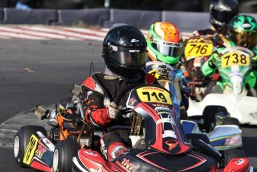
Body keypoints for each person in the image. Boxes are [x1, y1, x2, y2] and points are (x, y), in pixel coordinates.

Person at [80, 23, 147, 162]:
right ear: (113, 54)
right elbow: (91, 116)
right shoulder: (97, 81)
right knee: (111, 138)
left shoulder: (149, 80)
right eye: (128, 57)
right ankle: (122, 158)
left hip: (150, 130)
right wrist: (107, 113)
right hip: (115, 131)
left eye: (137, 57)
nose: (133, 62)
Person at [201, 15, 257, 99]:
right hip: (226, 88)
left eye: (250, 37)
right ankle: (212, 106)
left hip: (249, 89)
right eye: (241, 37)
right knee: (215, 84)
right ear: (231, 35)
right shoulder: (221, 52)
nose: (246, 41)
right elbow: (205, 71)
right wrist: (212, 62)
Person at [145, 21, 189, 119]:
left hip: (174, 116)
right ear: (152, 43)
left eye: (174, 51)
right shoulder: (139, 66)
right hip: (145, 113)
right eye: (167, 50)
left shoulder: (177, 74)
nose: (171, 55)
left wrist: (182, 88)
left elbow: (186, 104)